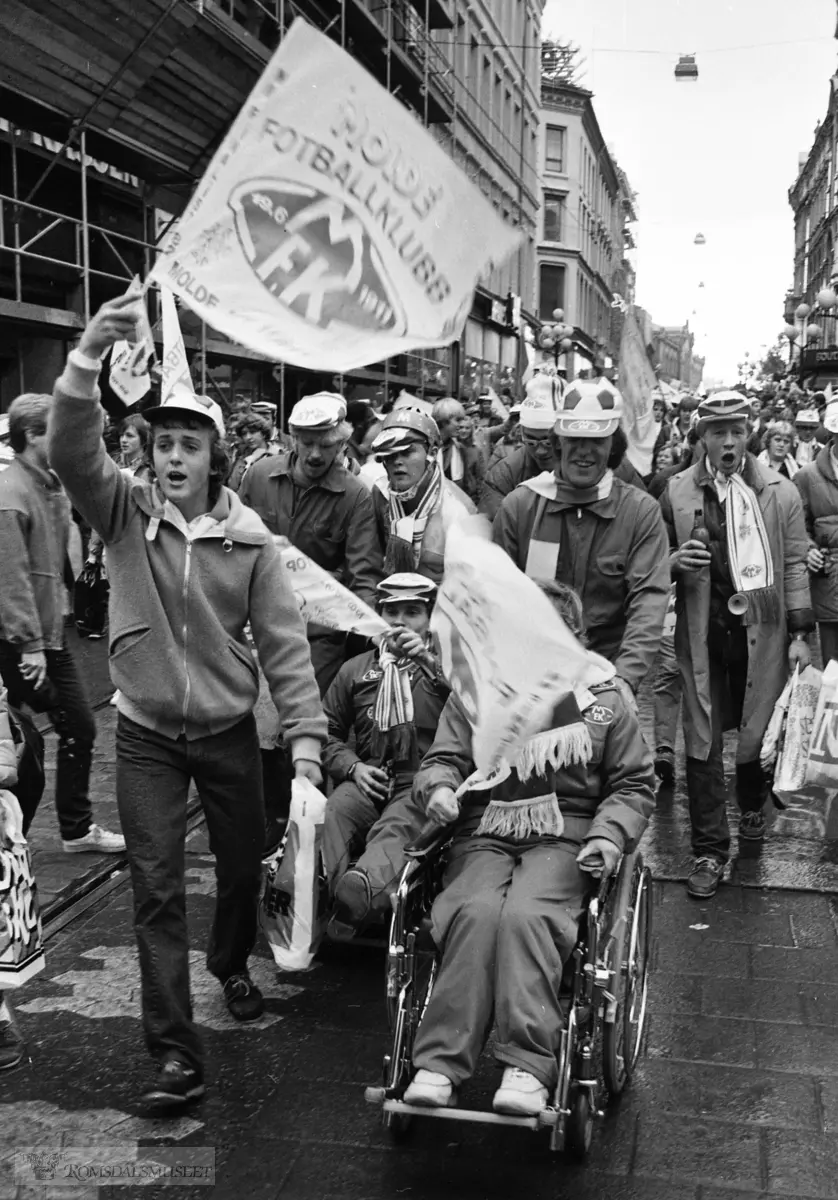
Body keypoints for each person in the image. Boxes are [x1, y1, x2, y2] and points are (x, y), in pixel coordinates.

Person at [48, 290, 327, 1111]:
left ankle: (230, 960)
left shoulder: (251, 544)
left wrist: (305, 739)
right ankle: (175, 1054)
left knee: (242, 869)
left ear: (214, 457)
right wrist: (89, 352)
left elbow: (283, 645)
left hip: (229, 733)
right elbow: (71, 453)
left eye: (187, 444)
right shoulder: (123, 512)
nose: (172, 457)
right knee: (156, 887)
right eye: (161, 442)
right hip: (144, 739)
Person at [402, 581, 655, 1115]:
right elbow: (443, 759)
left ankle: (528, 1063)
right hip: (487, 827)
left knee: (526, 915)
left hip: (568, 834)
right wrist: (441, 789)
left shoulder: (605, 698)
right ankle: (439, 1063)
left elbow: (632, 785)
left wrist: (609, 836)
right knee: (472, 912)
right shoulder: (479, 691)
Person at [660, 391, 813, 900]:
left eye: (736, 431)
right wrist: (672, 563)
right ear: (700, 436)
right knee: (700, 737)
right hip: (704, 637)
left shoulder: (780, 492)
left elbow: (793, 563)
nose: (728, 441)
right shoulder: (677, 492)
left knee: (755, 731)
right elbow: (655, 560)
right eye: (717, 431)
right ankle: (708, 849)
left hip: (762, 635)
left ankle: (751, 803)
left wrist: (798, 635)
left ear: (749, 433)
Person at [0, 393, 124, 855]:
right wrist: (29, 645)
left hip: (44, 637)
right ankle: (40, 834)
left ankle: (63, 829)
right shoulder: (12, 493)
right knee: (35, 738)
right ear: (33, 436)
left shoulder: (43, 484)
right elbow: (10, 579)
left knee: (45, 734)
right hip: (26, 642)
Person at [493, 379, 670, 694]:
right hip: (530, 677)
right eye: (574, 438)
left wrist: (624, 680)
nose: (584, 451)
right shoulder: (519, 508)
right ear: (558, 441)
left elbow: (648, 601)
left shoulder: (640, 512)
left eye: (596, 440)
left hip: (608, 674)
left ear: (612, 446)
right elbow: (497, 601)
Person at [321, 573, 449, 930]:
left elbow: (473, 711)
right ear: (378, 613)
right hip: (367, 778)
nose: (399, 621)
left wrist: (428, 662)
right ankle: (342, 901)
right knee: (335, 811)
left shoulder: (447, 668)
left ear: (430, 620)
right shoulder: (355, 670)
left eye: (412, 612)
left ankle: (360, 892)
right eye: (391, 611)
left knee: (397, 825)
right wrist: (352, 767)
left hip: (419, 783)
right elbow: (324, 732)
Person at [239, 391, 383, 695]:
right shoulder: (258, 476)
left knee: (305, 720)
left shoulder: (355, 496)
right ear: (293, 439)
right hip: (257, 623)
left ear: (343, 444)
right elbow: (233, 543)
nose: (315, 454)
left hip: (318, 635)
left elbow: (364, 575)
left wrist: (373, 633)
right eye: (307, 443)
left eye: (327, 445)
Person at [370, 407, 475, 585]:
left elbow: (469, 584)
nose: (396, 461)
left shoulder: (459, 509)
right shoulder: (379, 493)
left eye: (407, 452)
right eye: (390, 454)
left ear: (432, 453)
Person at [795, 398, 838, 664]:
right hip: (830, 581)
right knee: (833, 670)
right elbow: (797, 528)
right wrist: (808, 549)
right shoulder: (806, 477)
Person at [432, 398, 483, 505]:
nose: (460, 425)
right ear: (444, 421)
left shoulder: (459, 448)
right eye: (457, 420)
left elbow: (466, 484)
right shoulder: (426, 447)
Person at [227, 411, 274, 492]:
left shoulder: (276, 455)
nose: (248, 437)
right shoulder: (242, 456)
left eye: (252, 432)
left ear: (263, 433)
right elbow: (233, 485)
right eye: (244, 434)